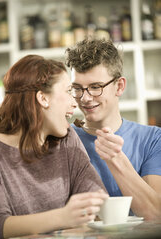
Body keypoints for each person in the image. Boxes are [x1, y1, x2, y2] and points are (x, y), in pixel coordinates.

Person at [0, 55, 108, 239]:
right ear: (43, 98)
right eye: (68, 91)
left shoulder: (67, 140)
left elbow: (97, 202)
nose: (75, 103)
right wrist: (63, 217)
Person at [65, 38, 161, 220]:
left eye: (95, 87)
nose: (84, 98)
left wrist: (116, 159)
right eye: (77, 88)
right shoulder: (62, 139)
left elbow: (156, 215)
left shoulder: (154, 139)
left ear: (120, 86)